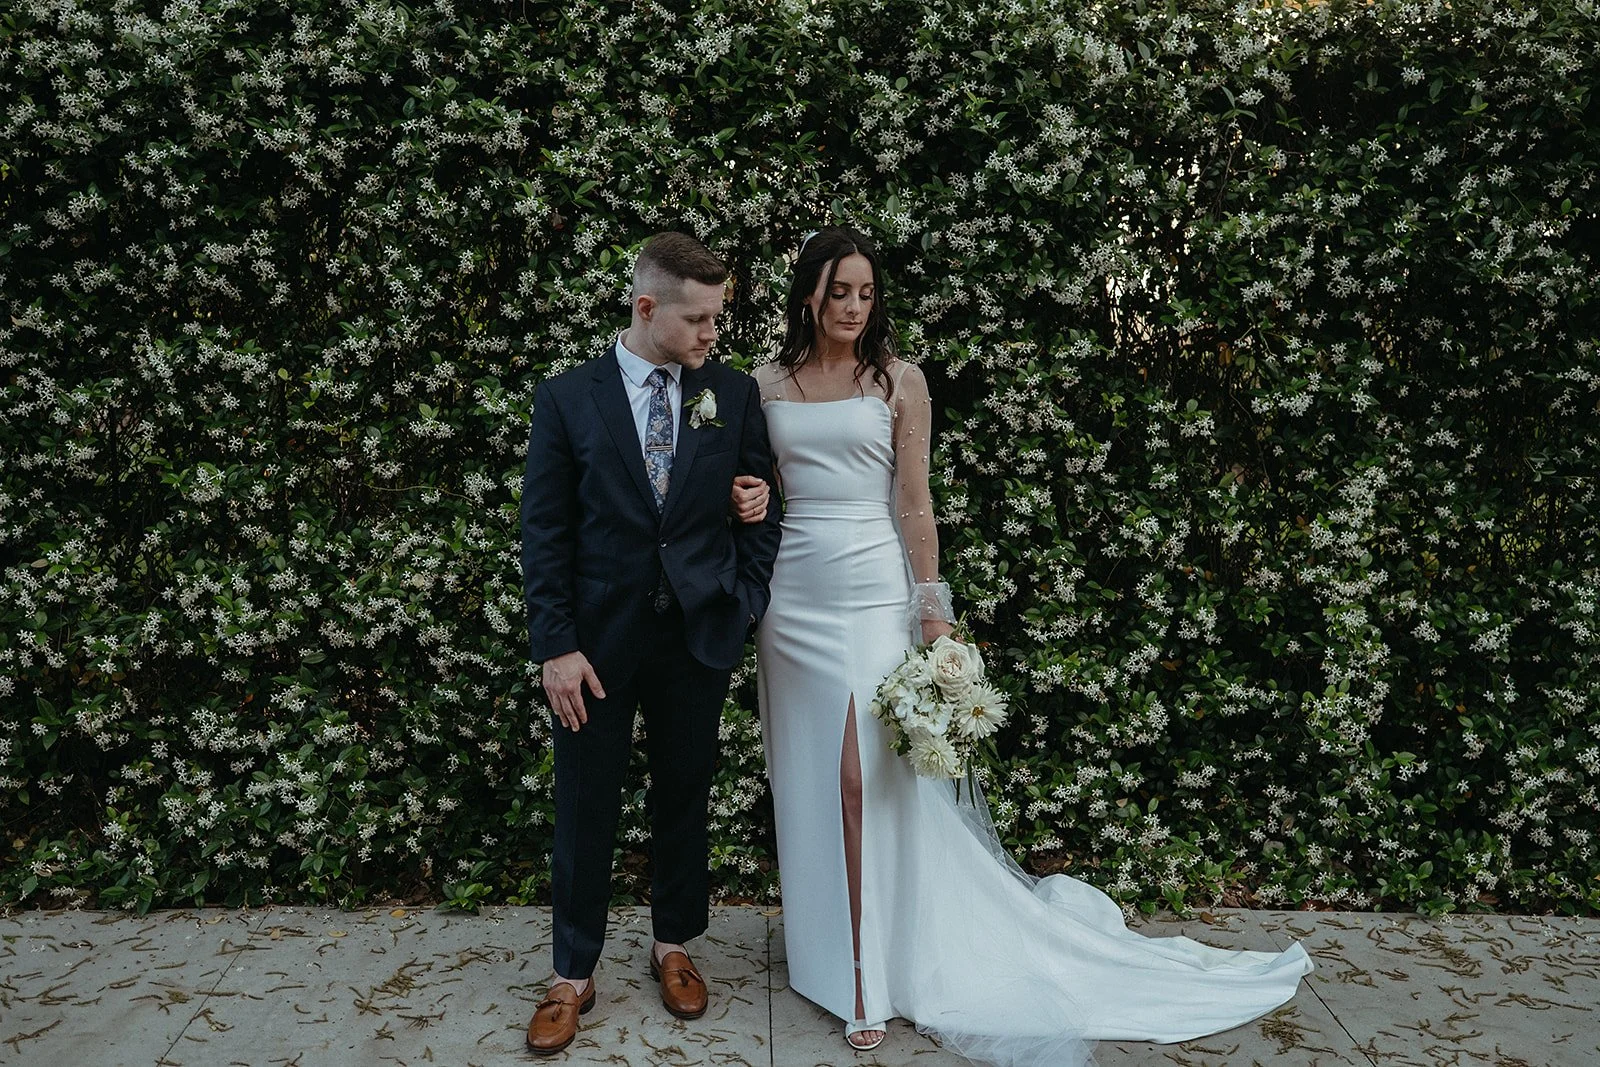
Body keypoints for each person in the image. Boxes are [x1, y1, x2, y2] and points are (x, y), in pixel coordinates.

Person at [747, 226, 1312, 1064]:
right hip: (791, 600)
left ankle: (870, 977)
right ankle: (834, 954)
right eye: (840, 292)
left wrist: (931, 609)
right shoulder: (764, 384)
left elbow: (914, 503)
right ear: (809, 295)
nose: (854, 308)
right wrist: (743, 497)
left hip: (874, 594)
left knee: (861, 776)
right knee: (806, 778)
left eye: (866, 293)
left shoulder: (900, 381)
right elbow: (753, 488)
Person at [520, 231, 782, 1056]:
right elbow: (545, 531)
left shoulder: (731, 394)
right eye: (699, 318)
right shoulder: (567, 398)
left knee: (684, 795)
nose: (713, 334)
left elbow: (762, 505)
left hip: (697, 632)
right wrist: (554, 644)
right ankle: (572, 971)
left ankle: (675, 943)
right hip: (594, 646)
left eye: (718, 317)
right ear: (646, 308)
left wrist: (743, 602)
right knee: (585, 803)